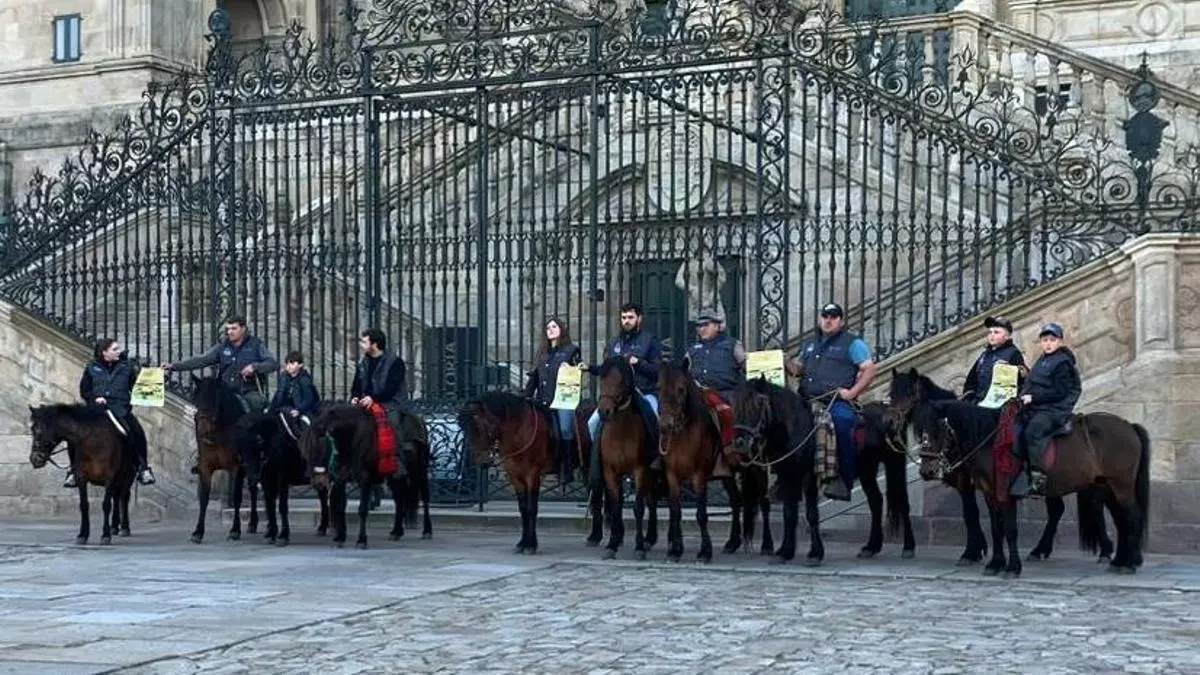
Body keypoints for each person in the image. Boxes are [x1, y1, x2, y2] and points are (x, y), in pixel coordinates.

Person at [164, 315, 279, 470]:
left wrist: (255, 367)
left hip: (247, 391)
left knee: (255, 410)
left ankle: (257, 450)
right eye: (228, 329)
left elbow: (272, 364)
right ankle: (202, 456)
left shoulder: (256, 345)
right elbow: (202, 359)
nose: (230, 332)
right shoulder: (223, 347)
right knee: (204, 414)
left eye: (234, 328)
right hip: (225, 393)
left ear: (243, 329)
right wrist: (174, 366)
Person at [789, 302, 878, 501]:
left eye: (833, 317)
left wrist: (852, 392)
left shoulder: (853, 343)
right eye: (825, 316)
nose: (828, 321)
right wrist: (784, 362)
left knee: (843, 424)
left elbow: (870, 369)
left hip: (835, 401)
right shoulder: (810, 344)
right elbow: (799, 370)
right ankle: (785, 478)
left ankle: (843, 480)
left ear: (841, 321)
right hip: (806, 399)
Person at [582, 302, 663, 468]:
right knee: (592, 423)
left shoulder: (650, 341)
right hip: (619, 396)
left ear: (639, 318)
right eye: (624, 317)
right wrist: (589, 368)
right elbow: (606, 370)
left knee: (656, 417)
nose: (626, 321)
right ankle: (598, 462)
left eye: (630, 317)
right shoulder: (614, 343)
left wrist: (638, 363)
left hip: (644, 392)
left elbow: (657, 371)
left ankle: (656, 459)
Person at [69, 339, 156, 488]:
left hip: (120, 410)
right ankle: (73, 470)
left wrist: (157, 379)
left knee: (137, 432)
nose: (118, 351)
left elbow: (137, 388)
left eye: (118, 349)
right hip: (96, 411)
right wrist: (95, 399)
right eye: (115, 349)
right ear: (104, 352)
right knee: (74, 434)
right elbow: (85, 390)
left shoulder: (127, 367)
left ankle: (143, 468)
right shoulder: (91, 367)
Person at [1013, 322, 1081, 496]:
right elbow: (1036, 383)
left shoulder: (1062, 363)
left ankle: (1038, 478)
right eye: (1045, 340)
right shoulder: (1043, 359)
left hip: (1054, 410)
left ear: (1060, 341)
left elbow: (1060, 392)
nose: (1048, 344)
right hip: (1038, 407)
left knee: (1032, 432)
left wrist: (1033, 398)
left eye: (1052, 340)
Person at [523, 316, 583, 480]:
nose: (551, 330)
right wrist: (525, 397)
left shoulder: (571, 350)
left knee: (565, 429)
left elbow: (578, 371)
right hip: (543, 400)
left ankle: (567, 465)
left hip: (563, 400)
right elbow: (534, 377)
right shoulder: (541, 353)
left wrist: (570, 368)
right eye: (548, 327)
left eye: (554, 327)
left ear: (562, 329)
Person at [684, 308, 745, 460]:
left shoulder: (732, 345)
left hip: (726, 394)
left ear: (718, 326)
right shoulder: (692, 350)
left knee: (730, 414)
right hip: (699, 395)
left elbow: (748, 366)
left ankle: (730, 451)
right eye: (699, 326)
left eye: (706, 324)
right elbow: (684, 372)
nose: (701, 329)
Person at [351, 328, 410, 478]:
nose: (361, 345)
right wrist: (355, 397)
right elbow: (356, 386)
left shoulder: (395, 362)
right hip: (367, 403)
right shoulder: (363, 362)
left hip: (391, 404)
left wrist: (373, 398)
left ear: (375, 344)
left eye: (364, 342)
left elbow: (391, 389)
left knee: (393, 424)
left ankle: (398, 462)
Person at [962, 316, 1028, 405]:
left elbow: (1023, 380)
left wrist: (1010, 370)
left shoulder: (1013, 353)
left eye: (996, 332)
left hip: (998, 404)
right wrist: (970, 400)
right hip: (979, 402)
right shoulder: (984, 355)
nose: (992, 335)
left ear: (1007, 336)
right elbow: (970, 382)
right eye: (990, 332)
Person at [269, 351, 321, 422]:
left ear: (300, 365)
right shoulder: (284, 377)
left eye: (292, 363)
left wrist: (299, 410)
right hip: (286, 408)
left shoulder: (304, 379)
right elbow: (279, 394)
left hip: (301, 410)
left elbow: (309, 399)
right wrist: (271, 409)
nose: (289, 366)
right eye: (287, 363)